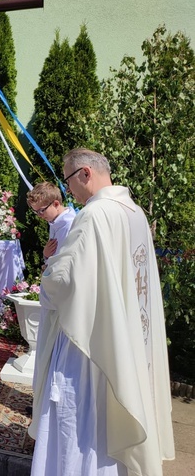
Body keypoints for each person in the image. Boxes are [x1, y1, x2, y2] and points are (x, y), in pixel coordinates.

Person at [30, 149, 174, 475]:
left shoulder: (94, 215)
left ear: (84, 173)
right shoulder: (134, 211)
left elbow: (64, 281)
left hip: (90, 343)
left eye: (68, 181)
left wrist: (46, 275)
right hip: (127, 337)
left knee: (79, 417)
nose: (68, 191)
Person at [26, 181, 76, 266]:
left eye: (42, 210)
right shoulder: (54, 222)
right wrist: (46, 256)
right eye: (36, 212)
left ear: (56, 204)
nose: (39, 215)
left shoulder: (72, 224)